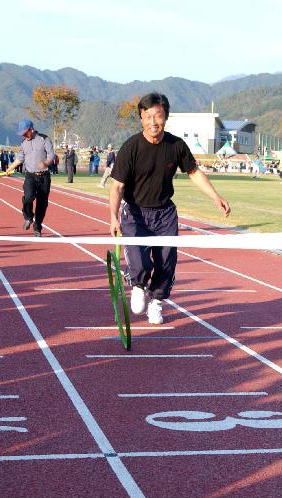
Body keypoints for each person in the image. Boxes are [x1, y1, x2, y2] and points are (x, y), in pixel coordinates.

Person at [108, 92, 230, 325]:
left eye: (158, 116)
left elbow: (194, 172)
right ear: (141, 118)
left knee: (166, 262)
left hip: (164, 213)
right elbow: (117, 187)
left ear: (166, 117)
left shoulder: (176, 145)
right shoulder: (131, 147)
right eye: (148, 116)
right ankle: (137, 282)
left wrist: (216, 196)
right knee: (140, 260)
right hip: (135, 213)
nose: (153, 122)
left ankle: (157, 301)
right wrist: (113, 217)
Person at [6, 119, 55, 238]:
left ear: (31, 129)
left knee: (42, 204)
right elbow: (19, 158)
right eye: (22, 133)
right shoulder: (23, 143)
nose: (23, 135)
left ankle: (37, 227)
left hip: (44, 177)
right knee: (28, 198)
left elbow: (51, 155)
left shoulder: (44, 139)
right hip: (30, 176)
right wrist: (10, 168)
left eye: (25, 132)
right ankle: (28, 217)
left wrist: (46, 163)